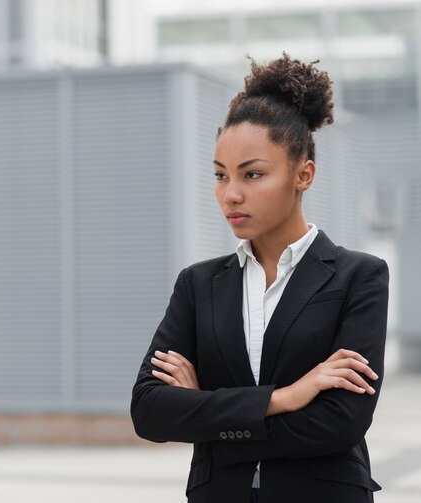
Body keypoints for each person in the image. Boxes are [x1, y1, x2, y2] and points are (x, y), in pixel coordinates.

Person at [130, 53, 389, 503]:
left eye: (253, 174)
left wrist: (208, 418)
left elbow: (340, 422)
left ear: (303, 174)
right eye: (220, 175)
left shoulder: (358, 277)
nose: (231, 193)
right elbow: (149, 411)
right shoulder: (198, 285)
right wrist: (285, 397)